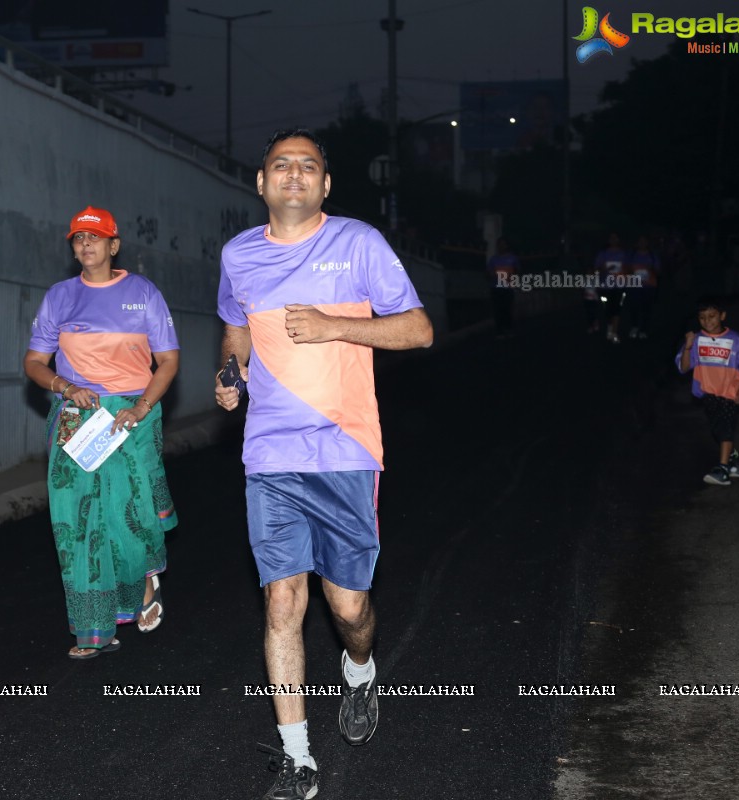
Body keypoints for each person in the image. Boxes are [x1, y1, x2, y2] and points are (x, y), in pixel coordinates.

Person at [215, 130, 433, 800]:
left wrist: (337, 326)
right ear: (261, 183)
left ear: (325, 185)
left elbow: (418, 329)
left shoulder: (359, 243)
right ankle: (297, 759)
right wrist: (231, 370)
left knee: (349, 607)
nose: (294, 175)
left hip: (344, 449)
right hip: (271, 453)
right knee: (282, 600)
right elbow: (236, 325)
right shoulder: (238, 254)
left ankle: (360, 671)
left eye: (308, 166)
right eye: (281, 165)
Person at [23, 206, 180, 659]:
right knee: (76, 521)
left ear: (114, 246)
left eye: (96, 237)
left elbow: (168, 361)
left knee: (128, 514)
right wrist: (65, 386)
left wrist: (141, 407)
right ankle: (94, 627)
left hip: (133, 414)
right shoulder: (60, 297)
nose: (86, 244)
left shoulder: (143, 293)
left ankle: (144, 582)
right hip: (78, 418)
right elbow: (35, 362)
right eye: (78, 238)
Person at [676, 299, 739, 486]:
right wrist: (688, 346)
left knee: (725, 427)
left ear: (722, 316)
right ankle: (733, 458)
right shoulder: (696, 340)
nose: (707, 321)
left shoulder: (735, 340)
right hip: (708, 393)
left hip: (730, 392)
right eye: (702, 317)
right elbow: (684, 367)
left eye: (711, 316)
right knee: (717, 429)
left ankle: (722, 469)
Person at [594, 233, 628, 343]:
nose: (613, 240)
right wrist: (603, 268)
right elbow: (596, 269)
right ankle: (609, 326)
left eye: (616, 237)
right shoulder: (603, 254)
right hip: (605, 286)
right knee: (607, 308)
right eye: (611, 238)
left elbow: (629, 268)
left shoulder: (623, 254)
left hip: (619, 285)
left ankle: (614, 332)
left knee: (617, 308)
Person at [625, 235, 660, 340]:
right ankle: (634, 327)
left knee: (646, 308)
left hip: (648, 287)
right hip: (634, 287)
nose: (642, 243)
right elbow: (625, 269)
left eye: (644, 241)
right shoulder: (631, 255)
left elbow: (658, 271)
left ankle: (644, 329)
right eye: (640, 241)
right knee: (634, 307)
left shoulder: (653, 256)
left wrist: (649, 270)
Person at [486, 237, 520, 337]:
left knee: (507, 309)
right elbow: (488, 273)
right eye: (499, 244)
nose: (501, 246)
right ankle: (500, 331)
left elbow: (518, 271)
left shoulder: (513, 258)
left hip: (508, 288)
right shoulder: (493, 259)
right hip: (496, 289)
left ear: (506, 245)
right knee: (498, 310)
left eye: (503, 244)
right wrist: (491, 275)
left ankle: (508, 329)